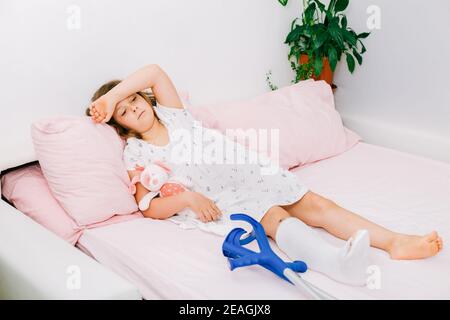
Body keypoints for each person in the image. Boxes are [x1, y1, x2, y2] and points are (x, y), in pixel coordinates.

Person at [86, 64, 443, 286]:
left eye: (133, 99)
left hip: (250, 172)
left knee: (318, 204)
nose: (133, 107)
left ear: (146, 98)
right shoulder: (137, 152)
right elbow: (148, 207)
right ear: (121, 126)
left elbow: (153, 71)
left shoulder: (174, 114)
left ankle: (395, 241)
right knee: (275, 218)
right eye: (123, 111)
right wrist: (188, 199)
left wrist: (111, 96)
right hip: (224, 197)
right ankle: (337, 265)